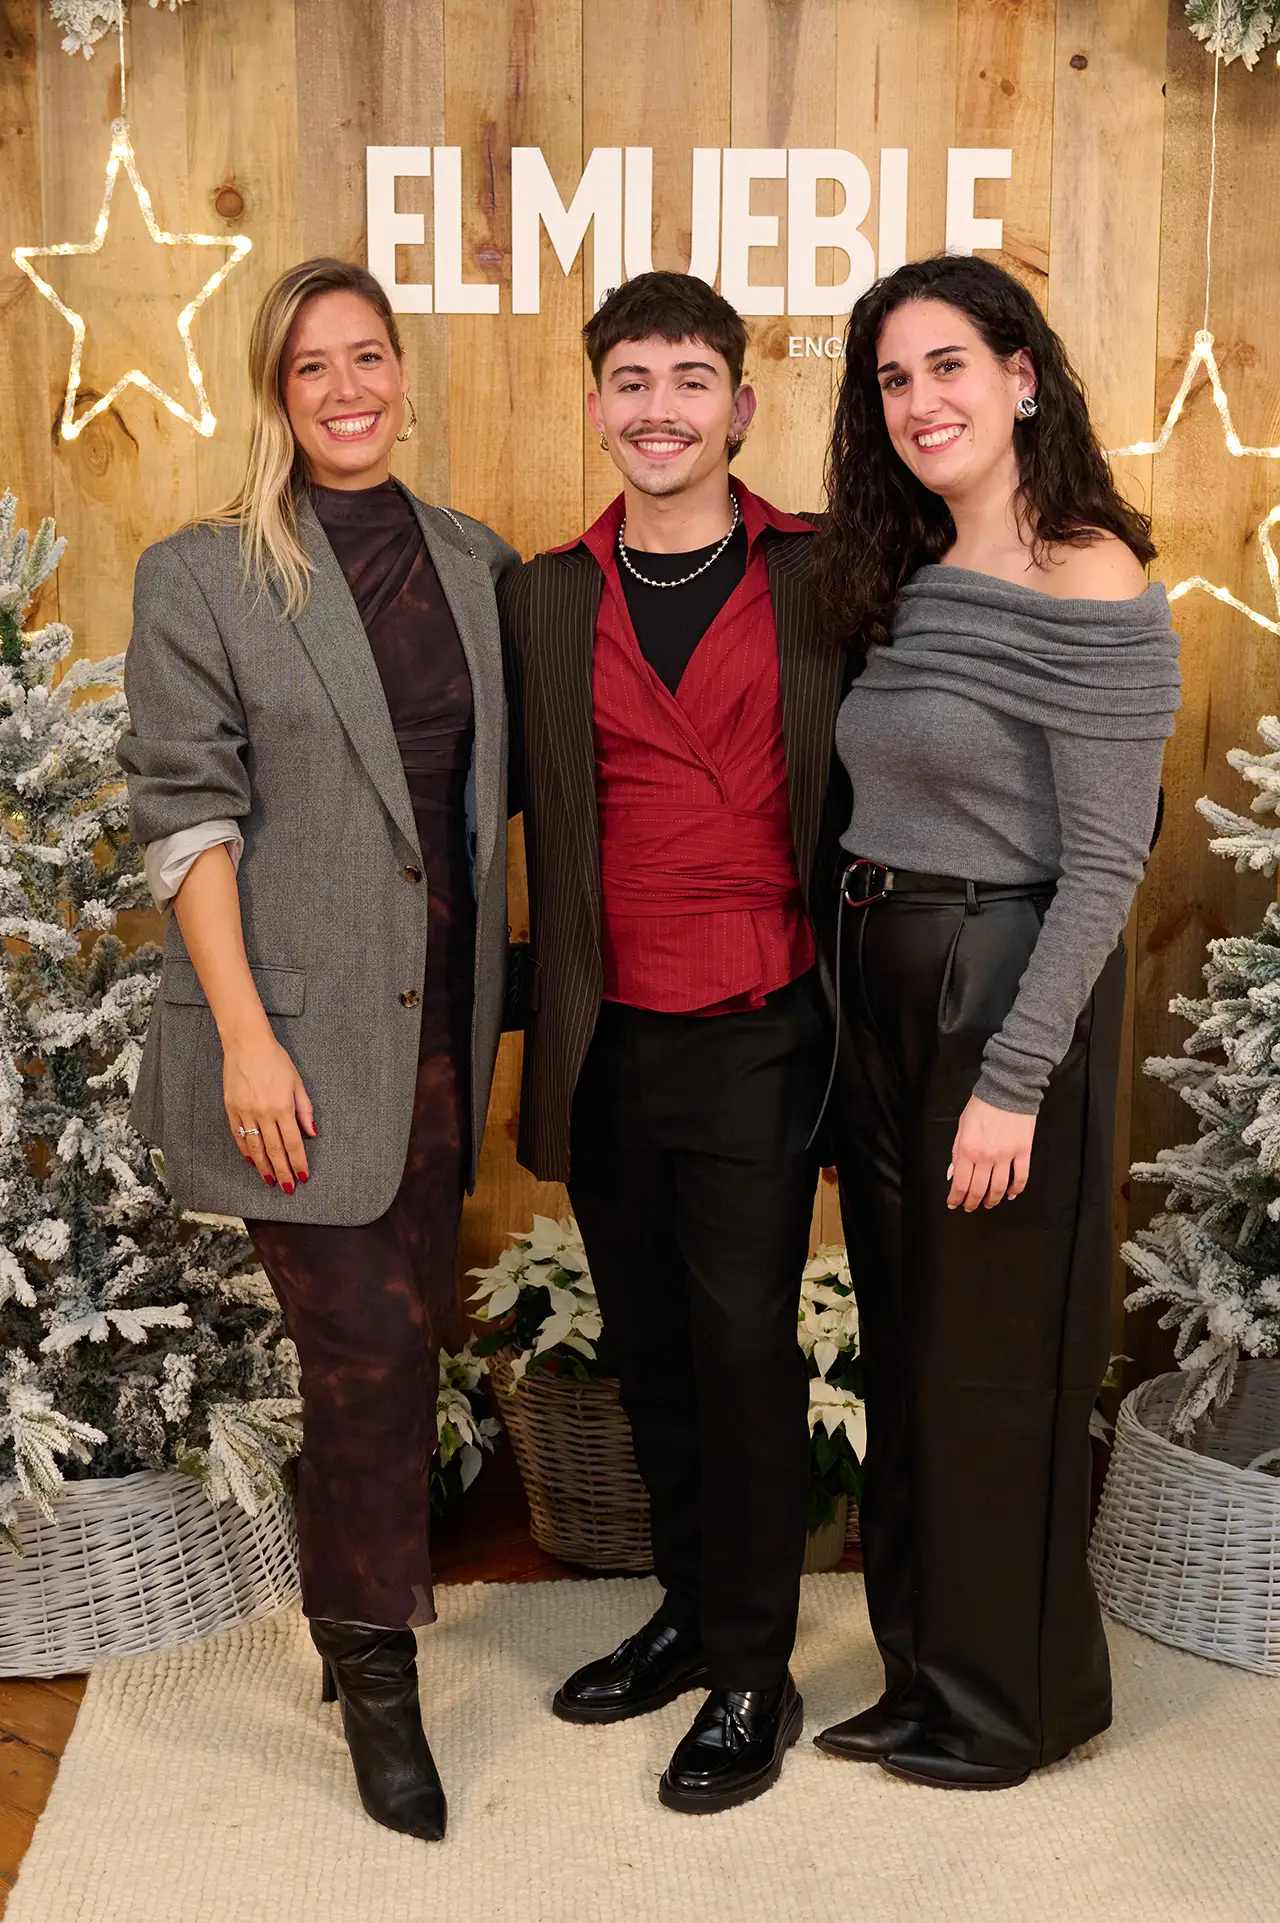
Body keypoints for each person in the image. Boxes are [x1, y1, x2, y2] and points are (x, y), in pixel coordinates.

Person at [118, 257, 520, 1842]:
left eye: (368, 357)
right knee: (359, 1353)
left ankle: (354, 1609)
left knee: (400, 1340)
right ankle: (373, 1668)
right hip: (292, 1033)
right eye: (310, 368)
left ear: (405, 372)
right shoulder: (203, 572)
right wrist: (243, 1037)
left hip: (442, 1027)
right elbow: (184, 812)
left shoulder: (478, 563)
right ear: (273, 393)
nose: (346, 389)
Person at [811, 254, 1181, 1789]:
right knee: (904, 1346)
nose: (922, 402)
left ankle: (1018, 1703)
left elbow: (1106, 857)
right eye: (894, 379)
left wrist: (1014, 1079)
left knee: (995, 1364)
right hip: (881, 972)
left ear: (1021, 374)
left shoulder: (1089, 571)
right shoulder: (901, 570)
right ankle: (923, 1672)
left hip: (998, 986)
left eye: (948, 365)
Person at [499, 271, 850, 1815]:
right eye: (630, 381)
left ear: (741, 408)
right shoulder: (542, 594)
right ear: (596, 405)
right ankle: (694, 1613)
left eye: (690, 380)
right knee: (648, 1349)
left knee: (740, 1354)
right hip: (602, 1031)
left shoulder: (829, 575)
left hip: (763, 1024)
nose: (659, 409)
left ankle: (756, 1667)